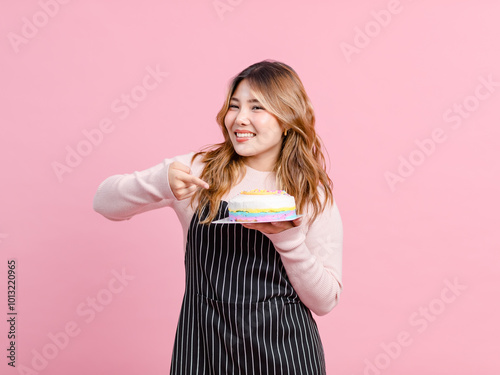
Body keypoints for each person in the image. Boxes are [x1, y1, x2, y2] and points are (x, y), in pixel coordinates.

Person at [93, 60, 343, 375]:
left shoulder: (310, 193)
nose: (239, 119)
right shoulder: (197, 170)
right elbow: (103, 202)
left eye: (257, 108)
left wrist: (287, 239)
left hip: (286, 352)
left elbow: (325, 301)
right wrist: (159, 181)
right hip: (204, 349)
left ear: (288, 118)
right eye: (234, 106)